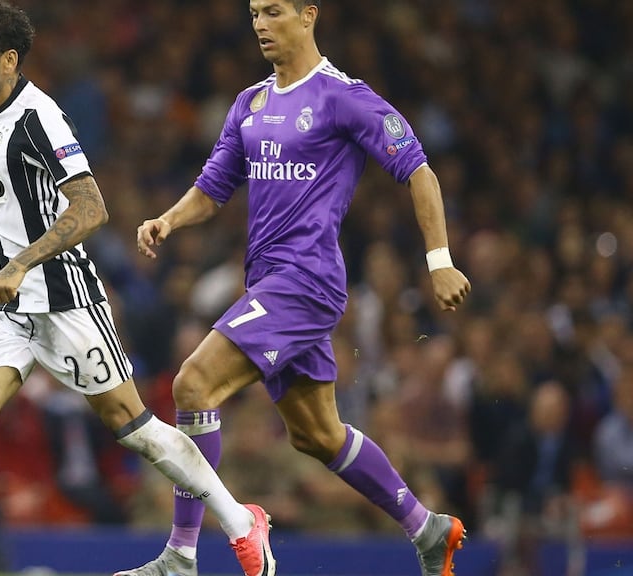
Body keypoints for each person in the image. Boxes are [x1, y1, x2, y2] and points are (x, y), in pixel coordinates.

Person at [0, 3, 274, 576]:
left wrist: (18, 263)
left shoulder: (39, 117)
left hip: (65, 301)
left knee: (137, 430)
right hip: (4, 309)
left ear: (9, 60)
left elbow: (92, 207)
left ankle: (243, 524)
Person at [115, 2, 472, 576]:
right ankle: (427, 528)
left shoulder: (343, 96)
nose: (259, 23)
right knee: (315, 434)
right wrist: (169, 220)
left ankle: (182, 555)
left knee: (193, 384)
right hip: (269, 282)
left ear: (309, 15)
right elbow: (213, 188)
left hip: (306, 280)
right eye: (254, 12)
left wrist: (439, 261)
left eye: (273, 11)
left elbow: (419, 170)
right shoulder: (249, 103)